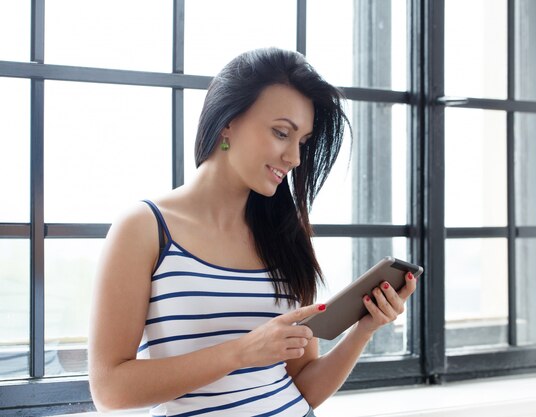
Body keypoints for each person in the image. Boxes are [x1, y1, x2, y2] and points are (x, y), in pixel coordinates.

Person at [88, 47, 417, 417]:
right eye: (281, 133)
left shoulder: (286, 237)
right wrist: (243, 351)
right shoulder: (145, 227)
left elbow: (305, 386)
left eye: (302, 143)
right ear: (228, 121)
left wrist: (363, 330)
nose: (293, 157)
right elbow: (109, 390)